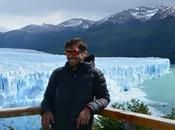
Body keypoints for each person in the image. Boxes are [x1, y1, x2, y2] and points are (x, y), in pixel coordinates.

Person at [41, 38, 110, 130]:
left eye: (74, 52)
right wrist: (46, 110)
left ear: (84, 53)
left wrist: (89, 108)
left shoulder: (95, 74)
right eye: (67, 52)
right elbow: (48, 96)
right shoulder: (58, 73)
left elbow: (104, 97)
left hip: (81, 127)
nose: (70, 56)